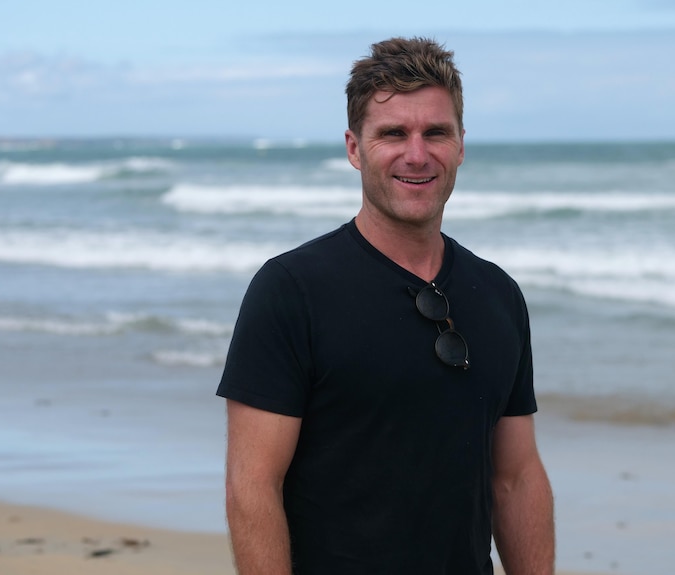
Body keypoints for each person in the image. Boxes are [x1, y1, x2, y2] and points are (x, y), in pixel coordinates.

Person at [217, 36, 555, 575]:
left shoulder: (498, 295)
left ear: (461, 145)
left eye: (436, 133)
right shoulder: (291, 289)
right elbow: (252, 486)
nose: (417, 154)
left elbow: (515, 476)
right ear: (354, 148)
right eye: (393, 133)